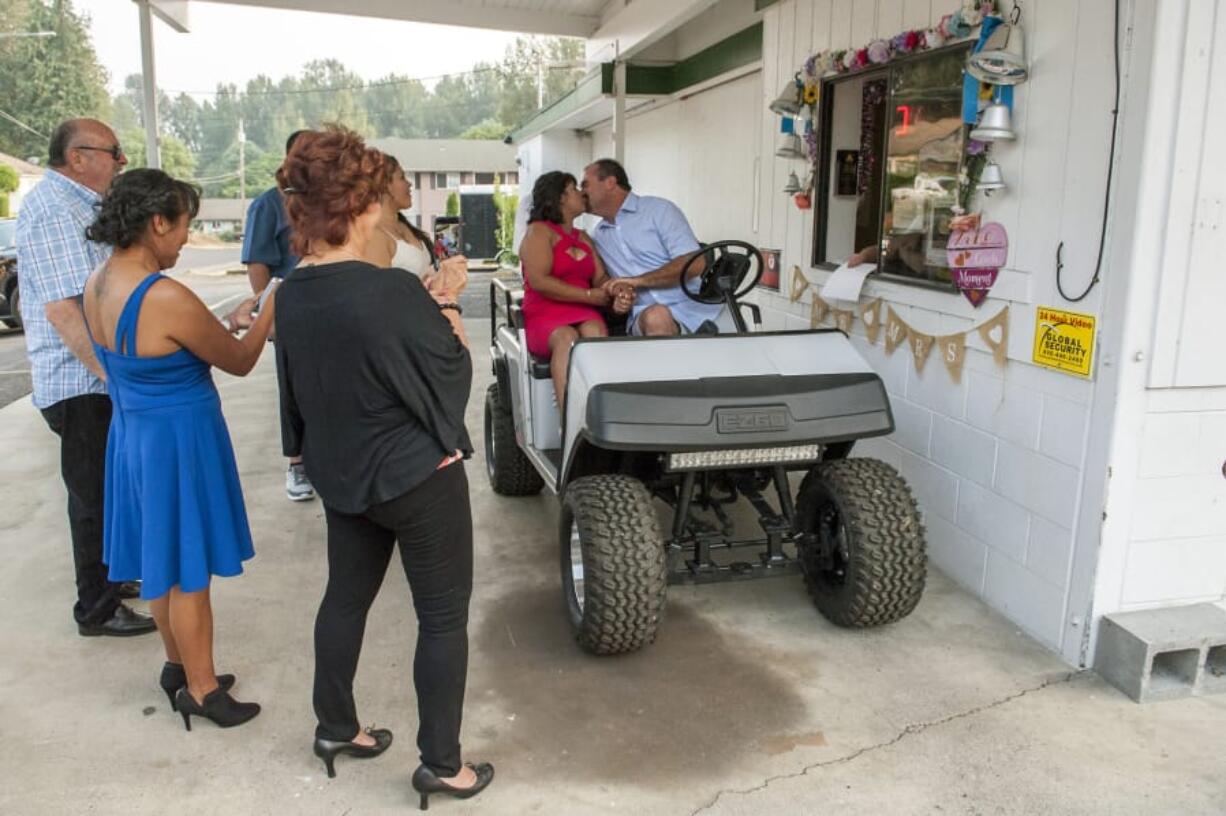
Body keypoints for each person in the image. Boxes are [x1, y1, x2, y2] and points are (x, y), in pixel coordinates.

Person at [273, 127, 493, 806]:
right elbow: (450, 377)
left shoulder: (293, 291)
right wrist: (448, 299)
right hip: (415, 478)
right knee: (442, 617)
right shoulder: (391, 290)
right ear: (364, 206)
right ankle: (442, 764)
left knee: (345, 597)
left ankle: (337, 726)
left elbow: (295, 391)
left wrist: (303, 453)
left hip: (342, 476)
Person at [83, 169, 274, 729]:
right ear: (156, 221)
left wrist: (222, 319)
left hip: (134, 436)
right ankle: (203, 689)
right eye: (184, 226)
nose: (187, 239)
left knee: (162, 564)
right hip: (178, 440)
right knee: (189, 572)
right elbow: (239, 361)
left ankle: (177, 666)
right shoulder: (164, 293)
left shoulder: (101, 280)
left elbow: (150, 346)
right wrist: (267, 312)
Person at [15, 118, 155, 637]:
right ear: (78, 157)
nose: (121, 161)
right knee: (92, 497)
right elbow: (64, 310)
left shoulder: (80, 205)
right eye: (112, 151)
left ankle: (114, 577)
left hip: (96, 381)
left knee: (111, 488)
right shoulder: (53, 209)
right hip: (80, 384)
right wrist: (112, 377)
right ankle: (96, 608)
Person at [241, 129, 314, 502]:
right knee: (294, 389)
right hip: (288, 309)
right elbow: (258, 265)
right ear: (289, 161)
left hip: (330, 309)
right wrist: (265, 316)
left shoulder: (327, 202)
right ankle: (298, 464)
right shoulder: (268, 205)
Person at [582, 158, 716, 336]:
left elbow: (695, 263)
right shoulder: (597, 237)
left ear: (610, 182)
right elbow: (606, 284)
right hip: (646, 316)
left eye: (585, 185)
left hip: (696, 310)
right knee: (656, 316)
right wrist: (618, 299)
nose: (581, 192)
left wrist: (638, 281)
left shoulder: (659, 210)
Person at [518, 170, 615, 408]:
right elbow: (539, 281)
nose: (581, 193)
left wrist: (611, 289)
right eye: (574, 189)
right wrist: (590, 296)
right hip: (545, 312)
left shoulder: (583, 237)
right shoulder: (539, 231)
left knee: (595, 333)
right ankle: (568, 421)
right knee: (566, 338)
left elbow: (600, 277)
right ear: (560, 197)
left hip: (584, 311)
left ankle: (598, 413)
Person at [365, 154, 468, 297]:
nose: (410, 184)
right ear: (384, 186)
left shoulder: (404, 226)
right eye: (402, 178)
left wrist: (441, 274)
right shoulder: (375, 236)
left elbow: (421, 280)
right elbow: (381, 298)